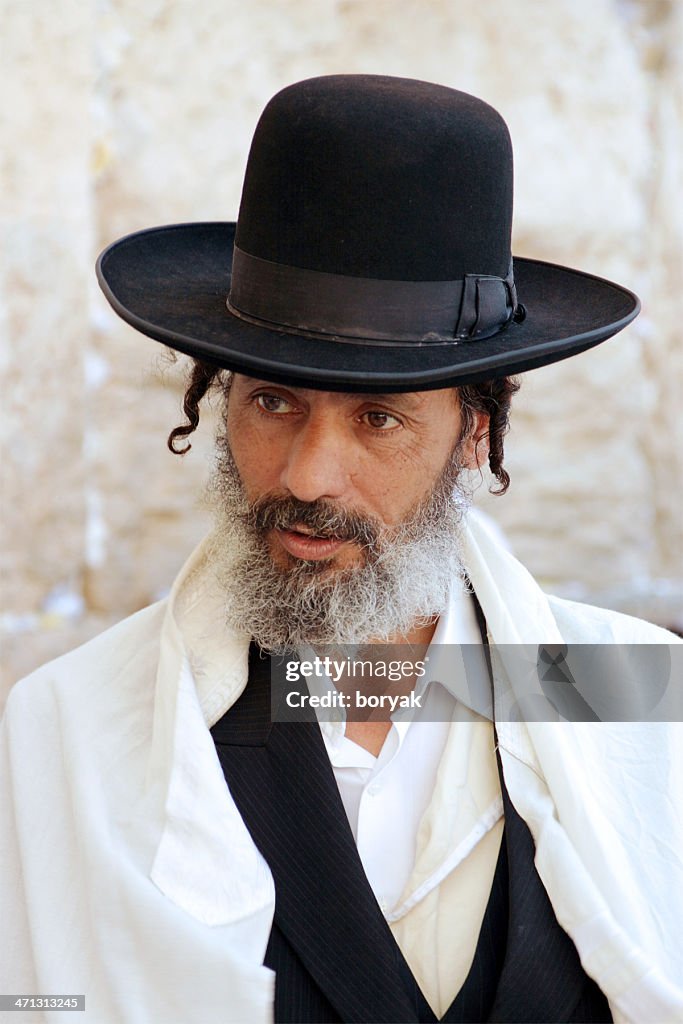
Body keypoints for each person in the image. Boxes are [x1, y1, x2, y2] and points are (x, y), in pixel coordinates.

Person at [2, 75, 681, 1024]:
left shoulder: (633, 695)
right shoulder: (68, 735)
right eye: (272, 402)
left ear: (475, 433)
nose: (311, 477)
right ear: (218, 402)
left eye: (377, 418)